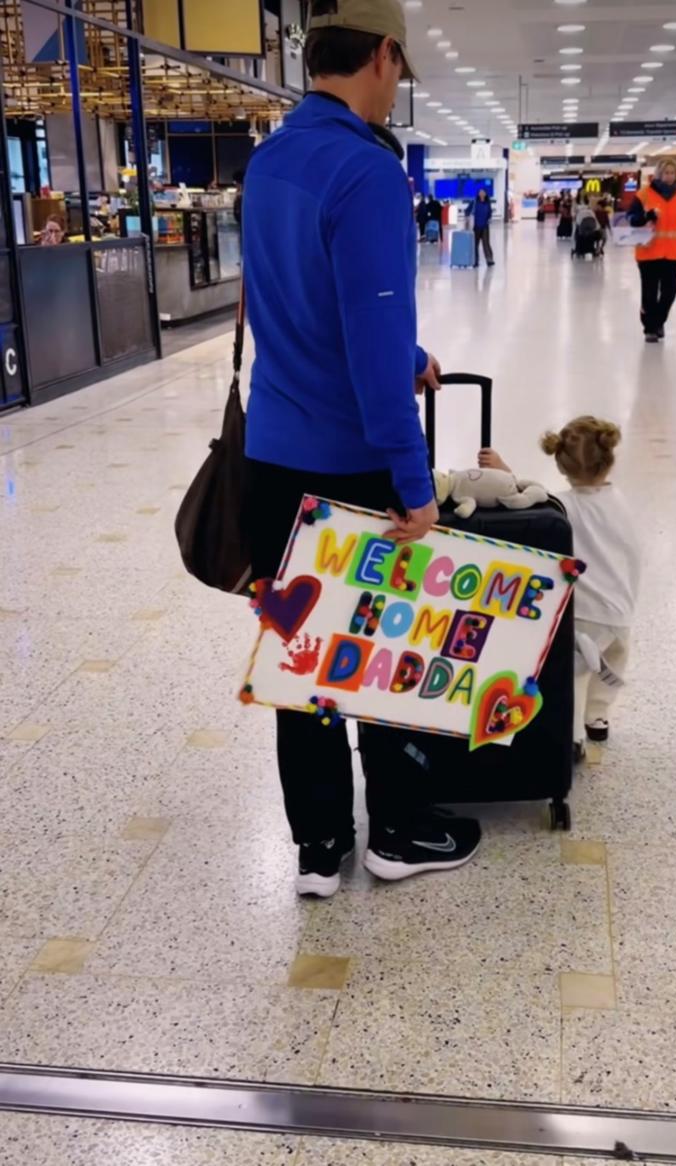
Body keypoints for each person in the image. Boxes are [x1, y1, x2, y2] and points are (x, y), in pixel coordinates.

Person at [241, 0, 481, 899]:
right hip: (351, 469)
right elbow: (371, 341)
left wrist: (406, 356)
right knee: (385, 654)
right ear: (382, 55)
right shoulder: (365, 169)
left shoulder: (268, 165)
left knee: (301, 655)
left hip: (272, 462)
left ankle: (316, 849)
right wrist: (413, 482)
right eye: (399, 71)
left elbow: (295, 308)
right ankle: (401, 832)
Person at [479, 416, 640, 759]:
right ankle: (598, 719)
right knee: (610, 668)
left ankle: (574, 738)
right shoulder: (621, 501)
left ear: (562, 465)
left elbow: (528, 499)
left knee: (576, 676)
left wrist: (505, 471)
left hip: (586, 615)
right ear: (609, 460)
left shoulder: (563, 505)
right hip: (622, 611)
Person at [627, 157, 676, 343]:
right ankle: (650, 328)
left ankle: (658, 321)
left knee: (671, 289)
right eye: (666, 173)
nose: (669, 176)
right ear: (659, 174)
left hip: (671, 252)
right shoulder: (644, 194)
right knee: (649, 292)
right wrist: (645, 217)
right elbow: (630, 217)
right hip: (648, 251)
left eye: (672, 173)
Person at [468, 187, 494, 267]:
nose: (482, 194)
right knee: (475, 244)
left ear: (486, 194)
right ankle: (475, 261)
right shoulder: (474, 202)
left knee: (486, 244)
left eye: (483, 192)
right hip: (476, 227)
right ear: (478, 194)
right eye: (480, 192)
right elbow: (467, 210)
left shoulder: (488, 203)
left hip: (485, 226)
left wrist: (489, 219)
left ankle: (489, 260)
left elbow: (489, 213)